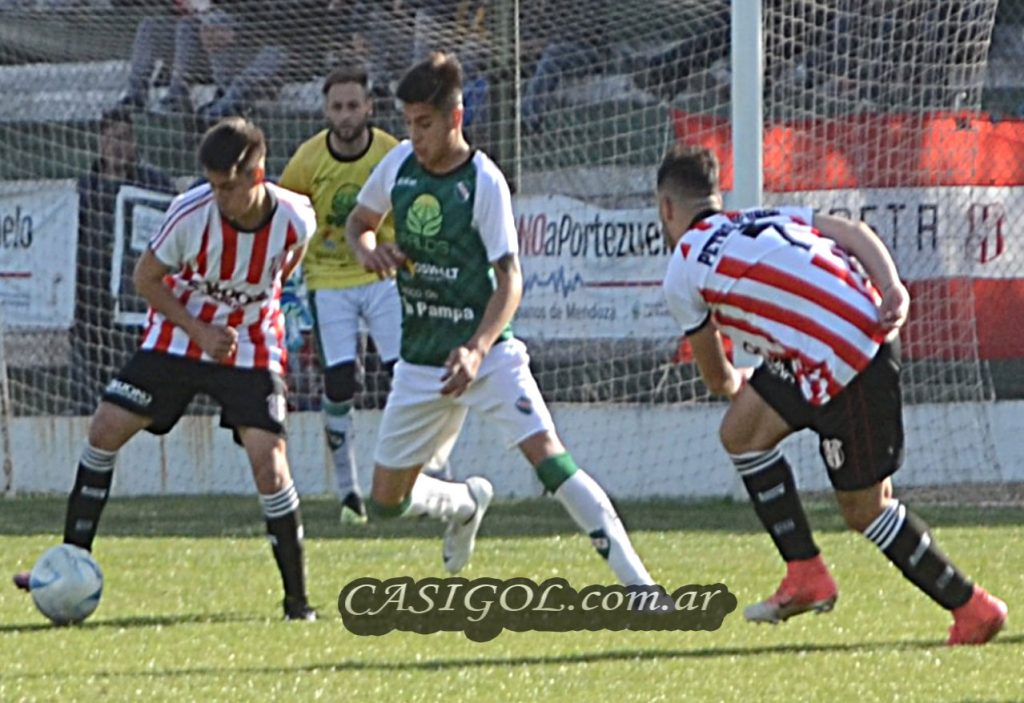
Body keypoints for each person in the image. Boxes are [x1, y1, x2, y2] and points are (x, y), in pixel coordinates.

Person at [656, 144, 1007, 645]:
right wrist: (893, 287)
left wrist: (738, 384)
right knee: (741, 433)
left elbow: (717, 378)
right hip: (853, 333)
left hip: (849, 361)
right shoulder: (759, 218)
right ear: (716, 198)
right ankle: (805, 573)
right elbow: (854, 232)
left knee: (866, 509)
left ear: (666, 208)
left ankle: (973, 608)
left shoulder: (682, 269)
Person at [344, 52, 656, 588]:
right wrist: (367, 249)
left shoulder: (484, 181)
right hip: (422, 362)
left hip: (487, 356)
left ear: (455, 118)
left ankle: (642, 589)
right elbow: (359, 221)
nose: (415, 136)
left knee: (550, 460)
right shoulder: (398, 165)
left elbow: (510, 280)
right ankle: (465, 505)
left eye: (425, 123)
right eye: (409, 123)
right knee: (386, 502)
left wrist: (477, 348)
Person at [15, 117, 319, 621]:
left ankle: (297, 604)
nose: (219, 197)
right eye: (213, 185)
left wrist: (250, 310)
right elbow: (146, 278)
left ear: (257, 175)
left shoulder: (295, 217)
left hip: (250, 343)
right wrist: (200, 331)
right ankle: (68, 566)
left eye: (228, 187)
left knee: (270, 463)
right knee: (105, 429)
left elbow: (290, 262)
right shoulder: (190, 214)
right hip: (180, 334)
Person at [277, 65, 404, 523]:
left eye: (354, 105)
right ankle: (349, 490)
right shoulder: (308, 159)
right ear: (326, 111)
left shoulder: (391, 152)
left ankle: (425, 475)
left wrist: (401, 250)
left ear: (369, 107)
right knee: (339, 383)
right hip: (328, 280)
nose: (346, 115)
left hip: (382, 275)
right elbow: (284, 215)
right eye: (337, 107)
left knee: (404, 377)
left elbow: (412, 206)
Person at [73, 107, 175, 414]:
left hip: (137, 299)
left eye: (125, 138)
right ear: (100, 142)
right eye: (112, 138)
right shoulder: (83, 189)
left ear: (135, 142)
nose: (118, 146)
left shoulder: (155, 184)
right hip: (91, 300)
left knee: (135, 378)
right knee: (89, 378)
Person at [120, 0, 288, 122]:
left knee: (212, 20)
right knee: (151, 26)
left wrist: (237, 33)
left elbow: (263, 17)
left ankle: (225, 94)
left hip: (240, 43)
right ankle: (139, 96)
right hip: (190, 42)